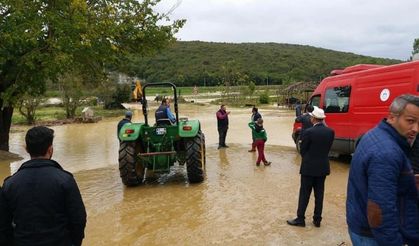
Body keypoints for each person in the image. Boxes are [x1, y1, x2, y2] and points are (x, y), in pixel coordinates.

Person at [346, 94, 419, 246]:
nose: (416, 129)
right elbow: (379, 211)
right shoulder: (387, 153)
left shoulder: (373, 134)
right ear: (392, 117)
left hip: (360, 223)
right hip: (373, 235)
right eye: (410, 121)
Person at [0, 126, 87, 246]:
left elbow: (3, 226)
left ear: (26, 149)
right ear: (50, 149)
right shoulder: (65, 180)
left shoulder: (9, 184)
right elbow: (78, 220)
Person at [287, 106, 335, 228]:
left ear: (313, 118)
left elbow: (302, 150)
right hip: (323, 168)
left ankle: (300, 219)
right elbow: (328, 149)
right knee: (319, 195)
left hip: (308, 168)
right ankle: (317, 220)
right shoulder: (330, 132)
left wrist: (308, 159)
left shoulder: (309, 132)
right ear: (322, 119)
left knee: (304, 194)